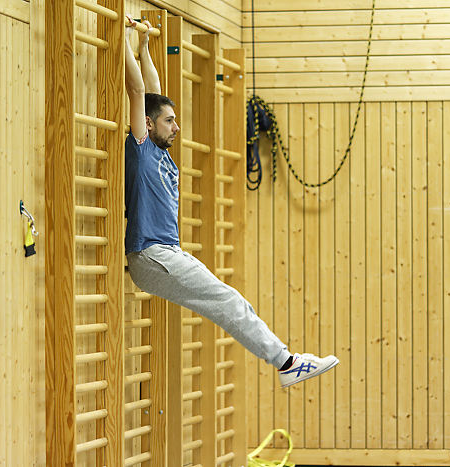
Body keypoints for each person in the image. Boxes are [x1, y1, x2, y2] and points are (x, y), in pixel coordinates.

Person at [123, 16, 338, 388]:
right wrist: (122, 35)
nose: (176, 127)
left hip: (166, 253)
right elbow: (138, 89)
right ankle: (287, 363)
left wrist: (143, 44)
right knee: (229, 301)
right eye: (169, 121)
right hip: (151, 254)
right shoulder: (141, 147)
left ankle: (286, 361)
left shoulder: (160, 151)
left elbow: (152, 89)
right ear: (148, 124)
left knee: (230, 301)